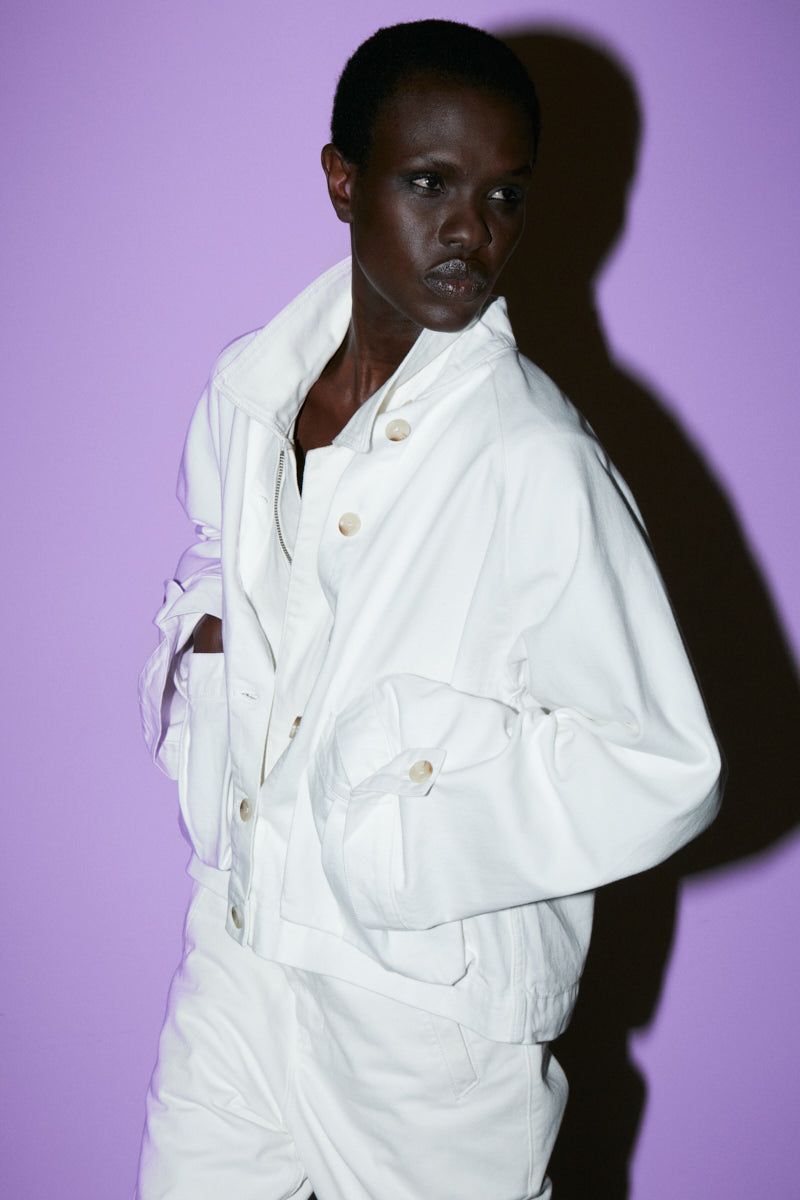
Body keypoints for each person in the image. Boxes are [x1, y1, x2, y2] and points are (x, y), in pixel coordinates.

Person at [136, 19, 722, 1200]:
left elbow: (665, 762)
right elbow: (214, 564)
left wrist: (396, 842)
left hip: (422, 1033)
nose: (471, 229)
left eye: (504, 194)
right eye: (428, 184)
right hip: (242, 955)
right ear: (341, 181)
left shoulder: (531, 456)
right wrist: (207, 656)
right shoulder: (251, 393)